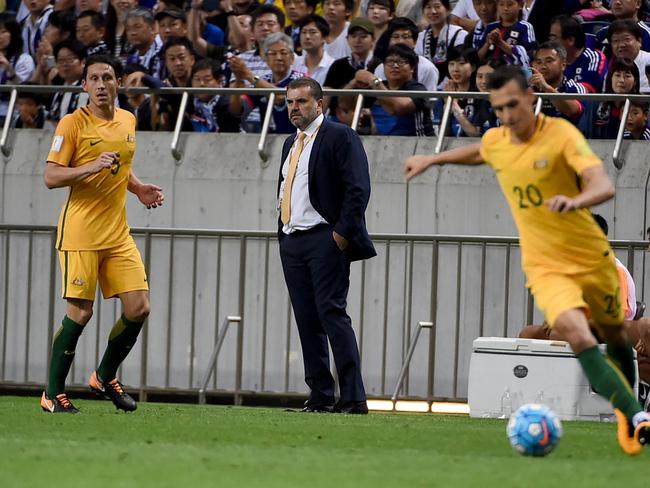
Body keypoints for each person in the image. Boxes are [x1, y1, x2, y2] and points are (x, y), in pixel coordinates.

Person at [404, 64, 650, 455]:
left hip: (589, 254)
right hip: (545, 263)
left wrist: (576, 200)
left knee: (617, 338)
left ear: (531, 98)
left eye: (512, 106)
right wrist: (434, 160)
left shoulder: (561, 135)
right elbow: (482, 150)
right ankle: (634, 416)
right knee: (576, 335)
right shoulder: (499, 139)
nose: (506, 116)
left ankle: (627, 405)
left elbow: (603, 184)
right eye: (498, 109)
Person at [40, 54, 164, 414]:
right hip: (80, 232)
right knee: (80, 312)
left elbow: (120, 167)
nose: (100, 85)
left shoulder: (128, 119)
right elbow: (51, 176)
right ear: (84, 86)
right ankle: (52, 393)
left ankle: (103, 376)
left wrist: (137, 187)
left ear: (118, 82)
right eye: (93, 79)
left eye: (107, 77)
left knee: (139, 307)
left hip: (117, 233)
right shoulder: (71, 124)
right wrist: (89, 166)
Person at [278, 77, 375, 414]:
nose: (294, 108)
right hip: (293, 239)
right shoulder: (291, 142)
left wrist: (342, 233)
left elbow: (358, 187)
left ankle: (353, 397)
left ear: (319, 104)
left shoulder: (339, 135)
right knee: (307, 319)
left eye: (301, 102)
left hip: (325, 237)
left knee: (332, 314)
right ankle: (319, 395)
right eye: (290, 102)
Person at [548, 14, 607, 94]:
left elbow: (585, 92)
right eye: (550, 38)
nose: (550, 43)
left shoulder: (593, 57)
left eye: (554, 38)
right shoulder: (551, 60)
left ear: (571, 40)